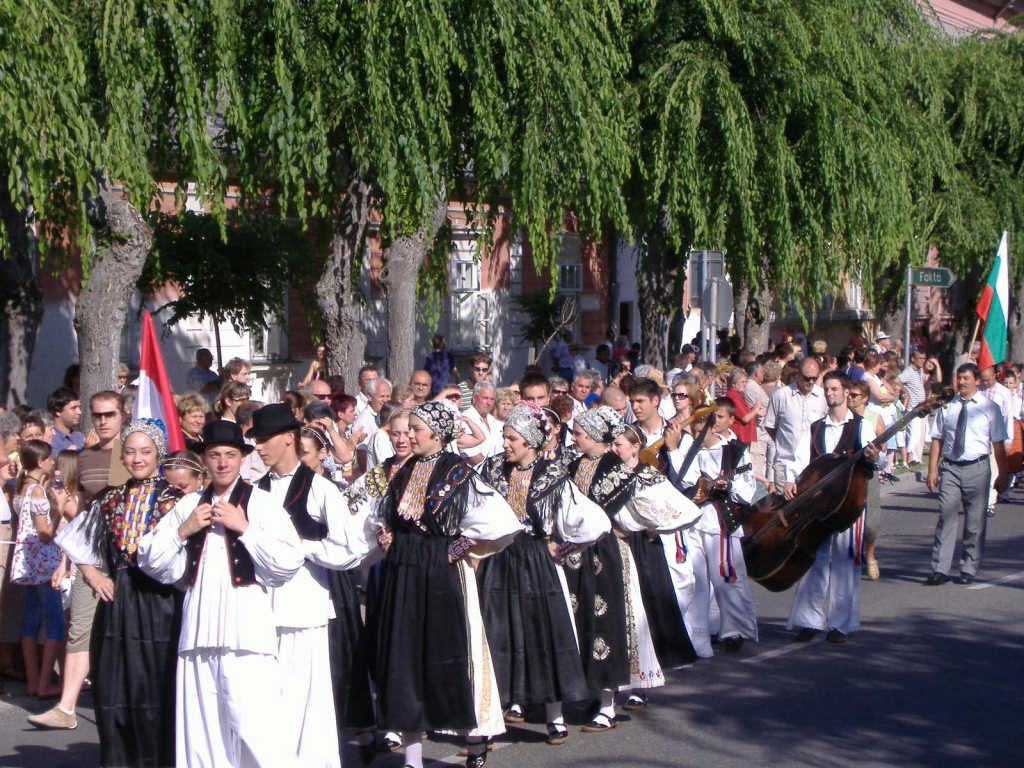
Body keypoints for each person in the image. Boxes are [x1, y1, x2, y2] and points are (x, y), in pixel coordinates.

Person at [137, 420, 305, 768]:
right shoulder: (188, 507)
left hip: (246, 631)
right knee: (201, 734)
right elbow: (151, 559)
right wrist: (183, 531)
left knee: (257, 727)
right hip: (198, 632)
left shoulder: (261, 504)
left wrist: (244, 528)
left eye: (230, 455)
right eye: (215, 455)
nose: (223, 463)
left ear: (242, 459)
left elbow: (289, 561)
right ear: (204, 460)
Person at [367, 401, 520, 768]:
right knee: (406, 656)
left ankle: (476, 736)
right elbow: (380, 512)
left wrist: (457, 547)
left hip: (441, 570)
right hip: (405, 568)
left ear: (437, 434)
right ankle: (413, 756)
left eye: (416, 430)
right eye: (406, 430)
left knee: (457, 650)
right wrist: (386, 535)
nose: (409, 436)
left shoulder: (458, 472)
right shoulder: (400, 471)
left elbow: (499, 520)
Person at [477, 404, 610, 745]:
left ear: (532, 441)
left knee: (544, 634)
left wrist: (564, 547)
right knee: (495, 635)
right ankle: (492, 716)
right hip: (498, 561)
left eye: (512, 438)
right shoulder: (490, 468)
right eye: (505, 437)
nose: (505, 444)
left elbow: (592, 521)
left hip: (535, 562)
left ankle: (555, 717)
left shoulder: (552, 477)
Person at [53, 420, 185, 765]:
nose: (137, 458)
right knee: (115, 681)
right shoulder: (110, 498)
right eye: (130, 451)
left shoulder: (177, 498)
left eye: (145, 451)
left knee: (156, 684)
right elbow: (75, 540)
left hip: (162, 602)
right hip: (119, 601)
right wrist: (94, 575)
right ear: (121, 457)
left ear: (159, 453)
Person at [248, 404, 370, 768]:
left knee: (308, 702)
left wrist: (303, 548)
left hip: (305, 608)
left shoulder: (320, 489)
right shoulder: (255, 490)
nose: (258, 447)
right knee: (270, 701)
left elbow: (351, 549)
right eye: (255, 440)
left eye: (265, 439)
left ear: (288, 439)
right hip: (261, 610)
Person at [564, 406, 664, 732]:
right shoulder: (573, 465)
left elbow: (632, 513)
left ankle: (607, 704)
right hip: (575, 554)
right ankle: (589, 691)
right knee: (580, 622)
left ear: (594, 435)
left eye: (579, 433)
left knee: (606, 623)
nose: (574, 438)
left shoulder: (617, 471)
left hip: (605, 555)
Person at [786, 372, 878, 644]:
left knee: (844, 563)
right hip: (818, 505)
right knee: (812, 560)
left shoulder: (861, 427)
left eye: (835, 389)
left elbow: (876, 463)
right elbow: (800, 459)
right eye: (826, 389)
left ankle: (840, 623)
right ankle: (809, 620)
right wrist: (791, 480)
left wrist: (874, 458)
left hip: (849, 504)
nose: (830, 393)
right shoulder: (815, 428)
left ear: (847, 392)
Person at [610, 423, 701, 679]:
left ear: (635, 447)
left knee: (652, 598)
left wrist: (656, 526)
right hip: (616, 543)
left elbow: (681, 508)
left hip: (643, 545)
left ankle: (660, 656)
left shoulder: (649, 475)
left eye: (619, 444)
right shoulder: (609, 475)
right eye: (613, 444)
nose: (614, 449)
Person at [925, 364, 1007, 585]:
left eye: (966, 378)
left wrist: (1003, 474)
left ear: (976, 380)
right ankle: (940, 569)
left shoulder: (990, 408)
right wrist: (932, 470)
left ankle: (968, 567)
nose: (961, 382)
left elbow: (998, 444)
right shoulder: (948, 407)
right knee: (946, 516)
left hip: (977, 467)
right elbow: (937, 440)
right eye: (959, 378)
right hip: (950, 467)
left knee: (974, 521)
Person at [689, 399, 759, 653]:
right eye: (693, 432)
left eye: (700, 431)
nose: (696, 437)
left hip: (719, 521)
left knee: (725, 577)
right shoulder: (689, 453)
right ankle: (701, 631)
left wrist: (728, 486)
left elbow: (747, 487)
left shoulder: (734, 452)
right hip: (692, 523)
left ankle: (734, 630)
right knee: (697, 580)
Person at [9, 440, 64, 699]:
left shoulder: (23, 488)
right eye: (50, 458)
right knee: (54, 620)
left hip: (28, 561)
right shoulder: (37, 492)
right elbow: (44, 534)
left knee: (29, 620)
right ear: (41, 462)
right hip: (43, 561)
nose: (53, 462)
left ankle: (33, 681)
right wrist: (58, 511)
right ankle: (43, 682)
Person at [764, 356, 827, 490]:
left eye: (814, 379)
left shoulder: (823, 396)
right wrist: (785, 442)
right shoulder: (781, 396)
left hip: (812, 466)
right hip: (785, 465)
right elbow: (770, 427)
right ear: (798, 374)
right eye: (806, 378)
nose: (810, 382)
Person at [48, 387, 84, 453]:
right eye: (73, 408)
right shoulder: (50, 438)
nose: (79, 412)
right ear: (58, 411)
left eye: (79, 407)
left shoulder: (79, 437)